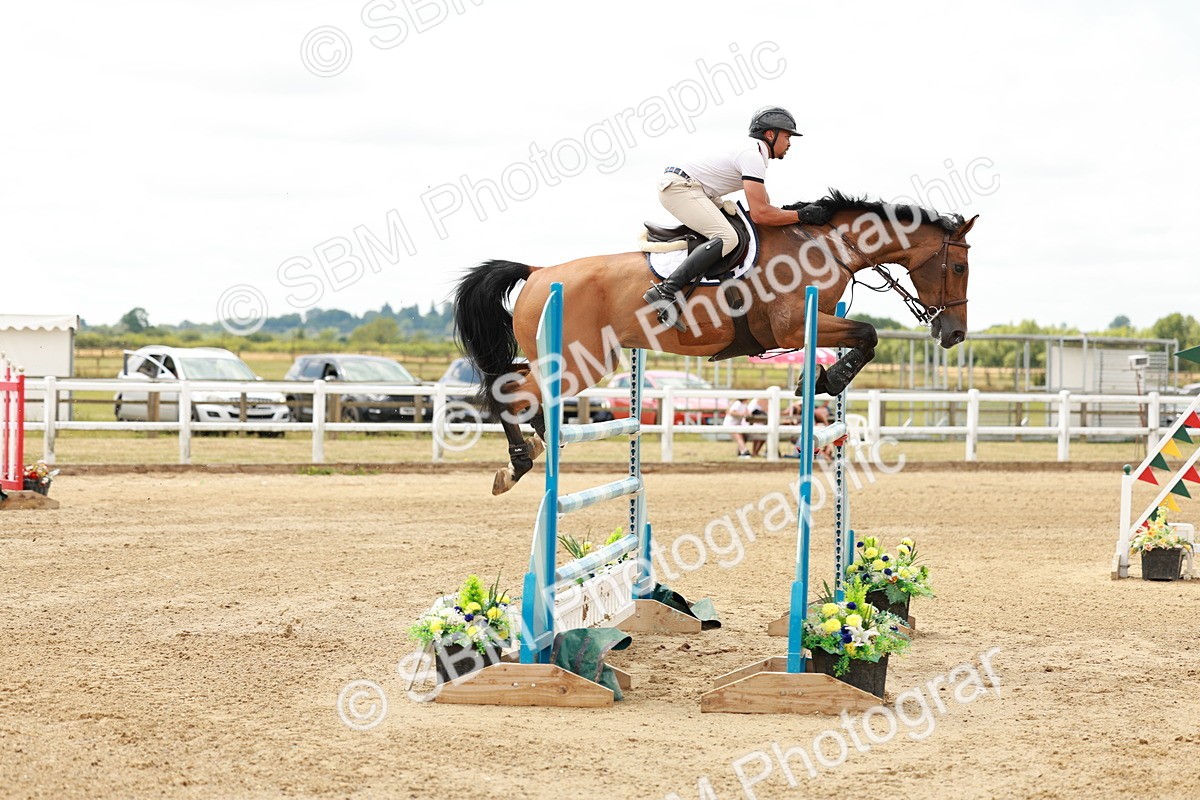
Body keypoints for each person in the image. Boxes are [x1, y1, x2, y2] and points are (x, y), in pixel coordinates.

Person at [642, 106, 809, 333]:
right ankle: (666, 291)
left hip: (692, 188)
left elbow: (767, 209)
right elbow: (761, 214)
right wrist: (802, 215)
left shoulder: (755, 155)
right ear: (771, 135)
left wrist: (796, 213)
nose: (789, 143)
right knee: (726, 237)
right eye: (788, 136)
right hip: (680, 188)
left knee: (734, 230)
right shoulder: (752, 157)